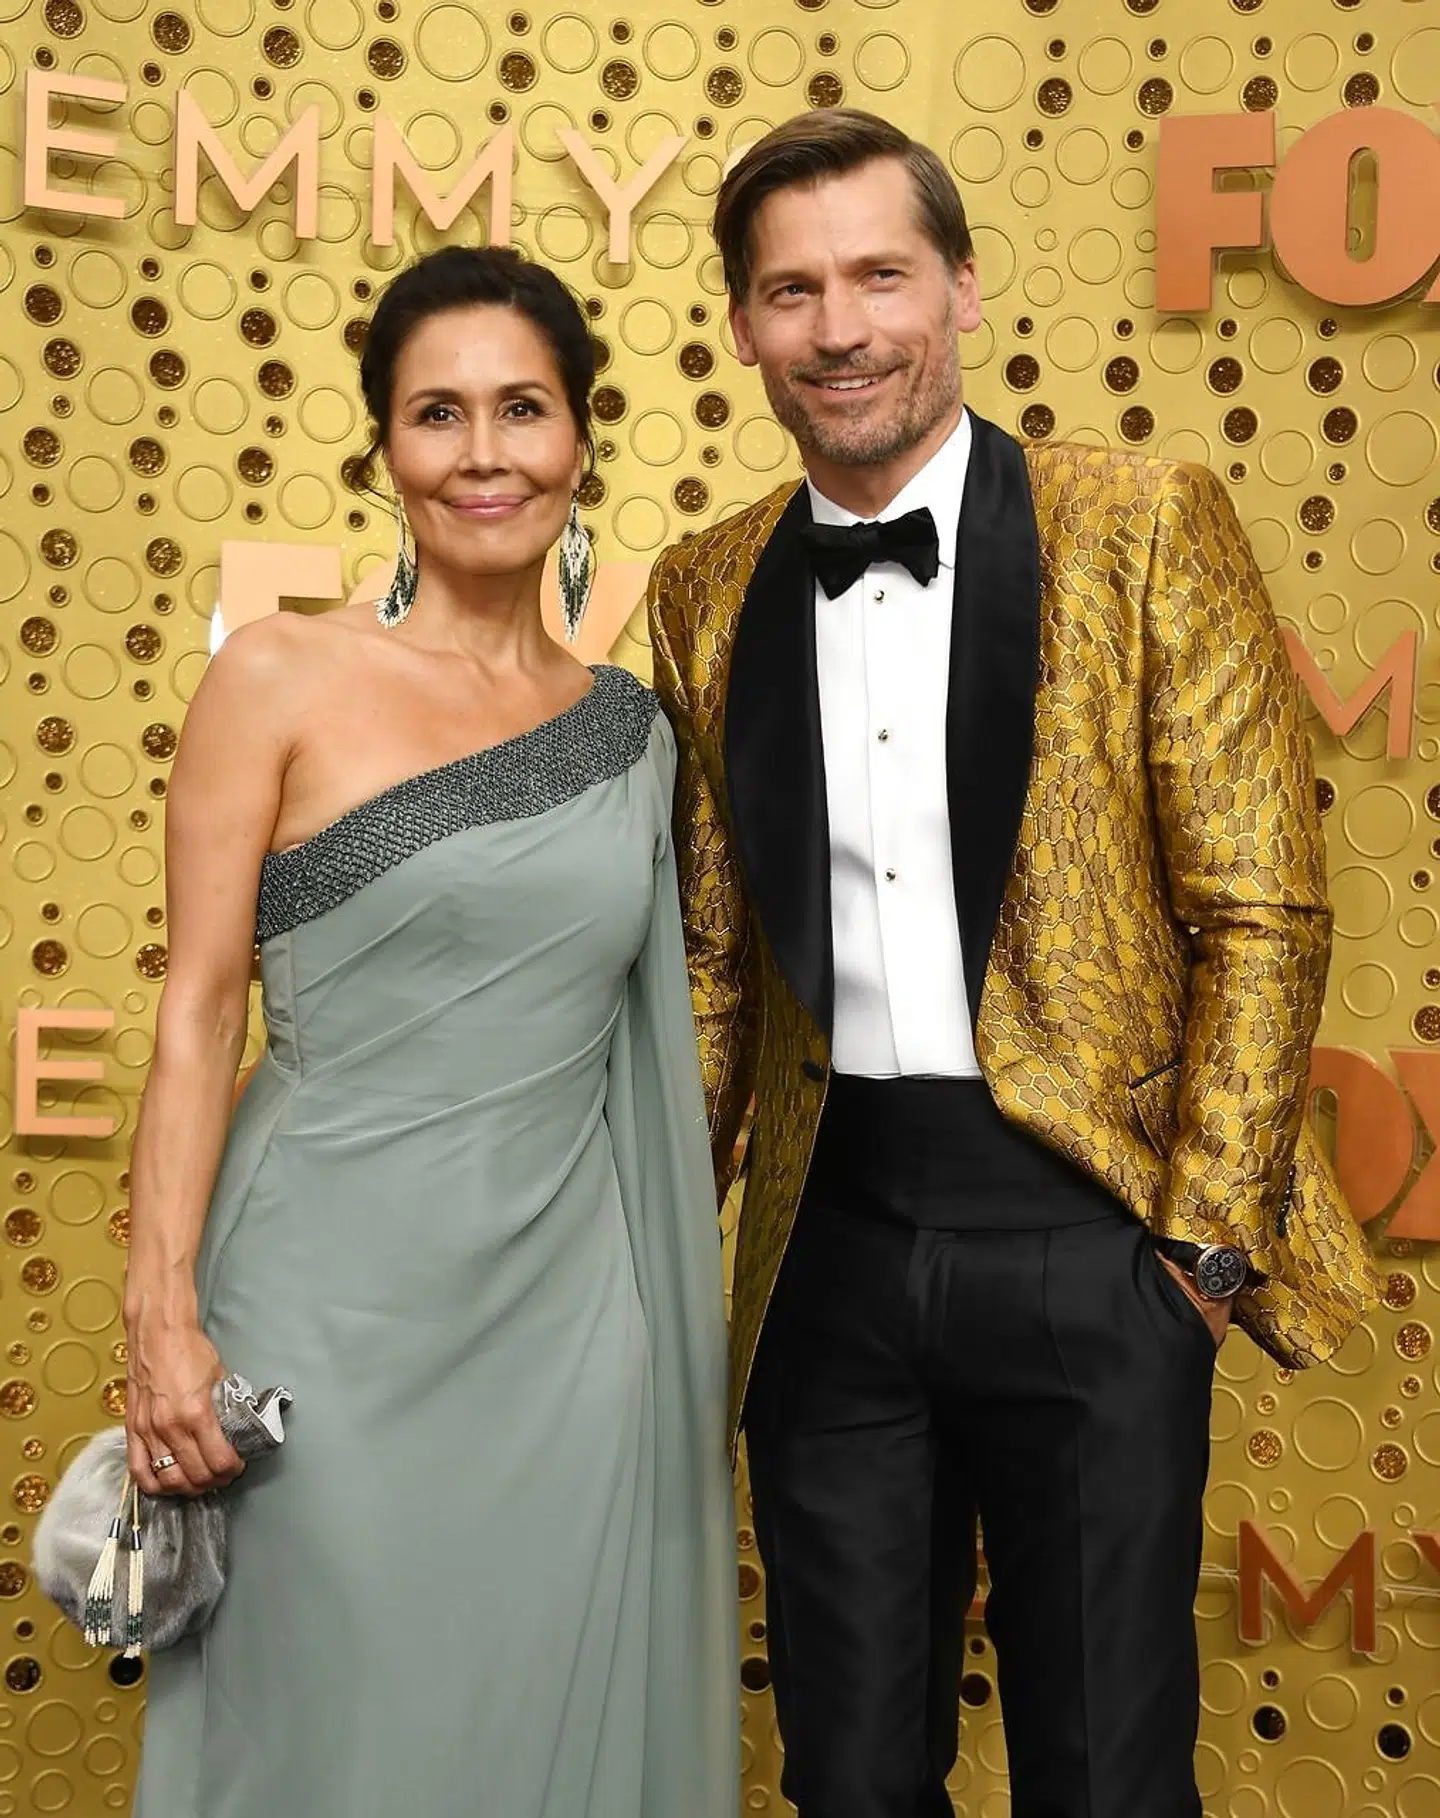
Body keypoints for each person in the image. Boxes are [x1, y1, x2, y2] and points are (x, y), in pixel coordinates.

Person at [648, 109, 1378, 1818]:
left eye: (881, 275)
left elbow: (1265, 903)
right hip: (820, 1262)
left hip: (1093, 1234)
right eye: (793, 289)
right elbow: (706, 966)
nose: (841, 328)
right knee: (848, 1772)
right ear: (744, 325)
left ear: (964, 288)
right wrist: (652, 1250)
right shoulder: (699, 586)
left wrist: (1196, 1249)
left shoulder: (1142, 519)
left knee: (1106, 1773)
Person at [124, 245, 737, 1818]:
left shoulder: (632, 736)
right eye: (437, 414)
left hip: (568, 1341)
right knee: (332, 1747)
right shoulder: (276, 677)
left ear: (583, 438)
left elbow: (644, 1054)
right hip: (319, 1323)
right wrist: (161, 1317)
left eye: (523, 409)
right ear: (384, 448)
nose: (484, 454)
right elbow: (197, 1012)